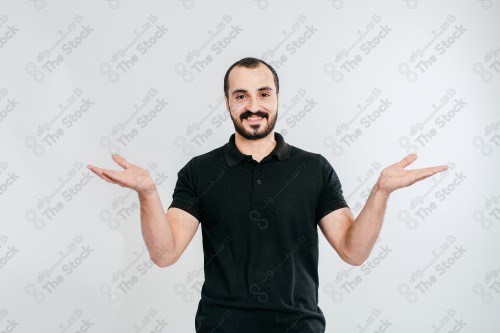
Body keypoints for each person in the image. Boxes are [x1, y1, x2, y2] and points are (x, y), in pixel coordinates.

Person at [87, 57, 448, 332]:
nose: (253, 106)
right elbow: (165, 254)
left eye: (263, 93)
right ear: (227, 102)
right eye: (241, 95)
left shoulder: (314, 169)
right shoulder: (200, 171)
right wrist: (148, 192)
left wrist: (381, 191)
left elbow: (353, 251)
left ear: (277, 98)